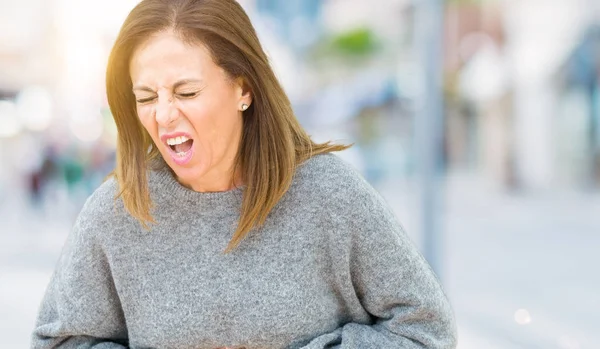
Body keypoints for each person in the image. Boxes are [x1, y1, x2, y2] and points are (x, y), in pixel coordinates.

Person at [31, 0, 457, 348]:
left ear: (244, 89)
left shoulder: (330, 194)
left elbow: (426, 330)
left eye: (186, 92)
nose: (163, 115)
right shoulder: (117, 212)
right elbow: (58, 340)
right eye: (146, 97)